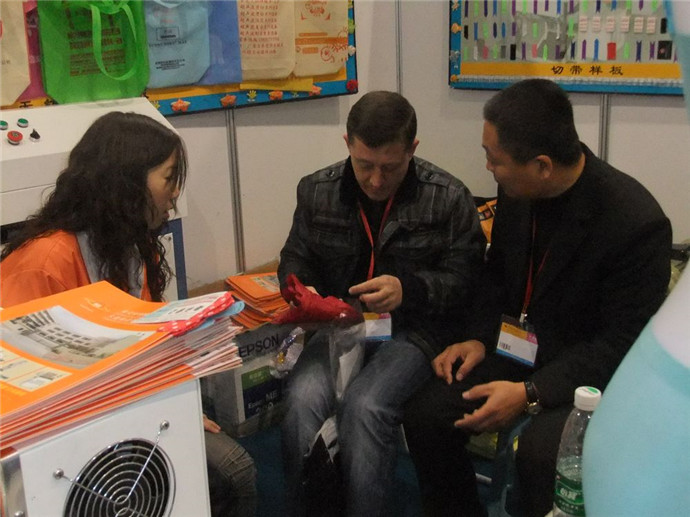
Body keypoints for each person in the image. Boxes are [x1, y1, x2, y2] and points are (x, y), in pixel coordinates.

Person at [402, 78, 672, 517]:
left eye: (495, 159)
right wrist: (477, 337)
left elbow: (619, 344)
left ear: (542, 166)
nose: (487, 167)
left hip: (582, 372)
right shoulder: (518, 191)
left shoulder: (635, 223)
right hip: (517, 346)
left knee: (541, 453)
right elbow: (495, 277)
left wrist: (530, 393)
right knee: (427, 414)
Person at [0, 111, 257, 517]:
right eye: (169, 178)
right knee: (223, 472)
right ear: (126, 182)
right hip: (59, 444)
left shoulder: (131, 247)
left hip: (127, 413)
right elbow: (20, 397)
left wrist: (179, 408)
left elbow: (149, 351)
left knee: (231, 471)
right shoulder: (44, 262)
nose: (175, 193)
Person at [277, 90, 486, 516]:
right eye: (364, 165)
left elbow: (467, 282)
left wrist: (409, 289)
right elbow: (295, 259)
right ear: (347, 144)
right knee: (301, 401)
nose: (375, 180)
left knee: (366, 406)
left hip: (415, 331)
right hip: (341, 326)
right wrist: (304, 292)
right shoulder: (316, 190)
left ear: (412, 149)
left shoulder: (448, 197)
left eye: (389, 167)